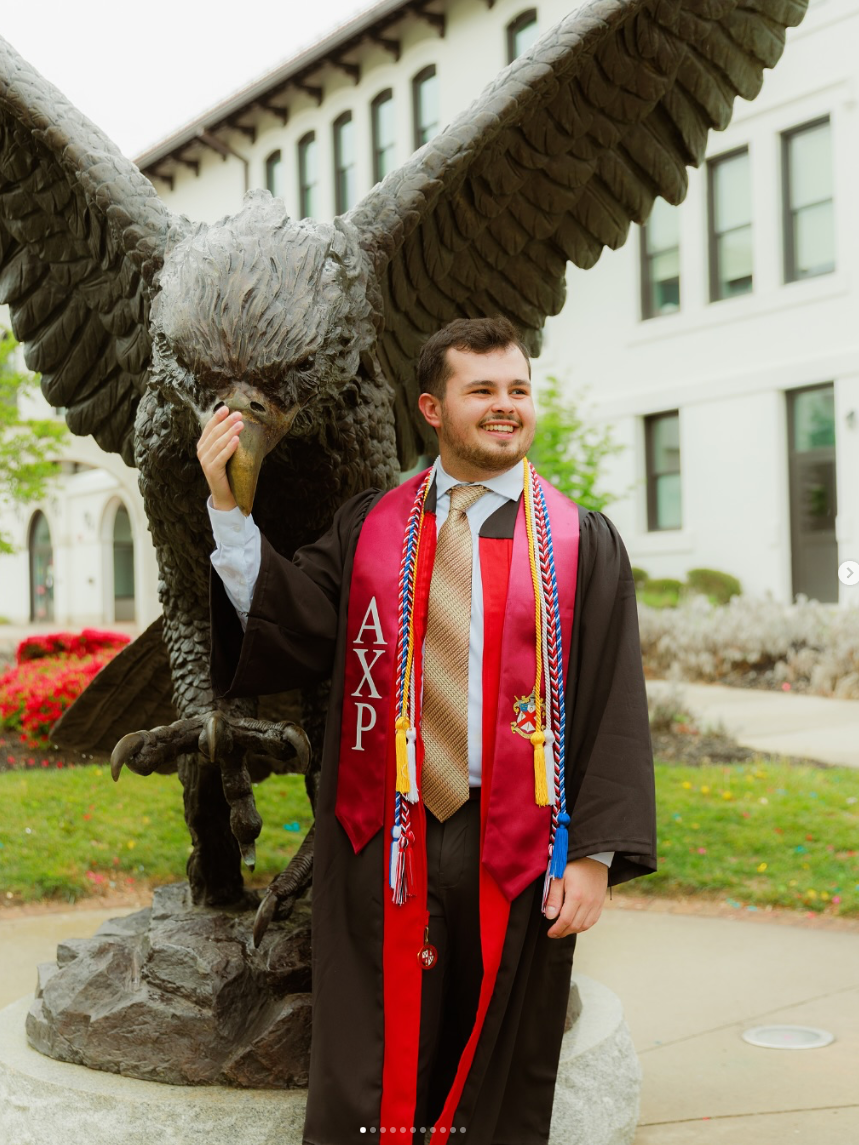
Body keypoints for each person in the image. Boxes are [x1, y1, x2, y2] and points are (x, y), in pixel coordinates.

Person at [197, 317, 657, 1142]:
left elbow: (612, 700)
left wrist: (592, 855)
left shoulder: (577, 541)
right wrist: (227, 506)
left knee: (496, 1056)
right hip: (386, 829)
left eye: (517, 389)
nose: (505, 406)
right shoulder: (374, 526)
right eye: (481, 390)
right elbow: (294, 622)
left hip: (520, 838)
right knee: (375, 1055)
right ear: (432, 408)